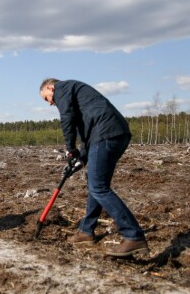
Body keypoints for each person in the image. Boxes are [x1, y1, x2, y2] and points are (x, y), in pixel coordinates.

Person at [39, 78, 148, 257]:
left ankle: (133, 235)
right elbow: (87, 136)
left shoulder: (63, 88)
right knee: (95, 185)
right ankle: (86, 232)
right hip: (112, 133)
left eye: (47, 98)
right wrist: (79, 160)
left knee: (98, 187)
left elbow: (67, 117)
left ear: (51, 88)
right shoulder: (81, 99)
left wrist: (69, 149)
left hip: (107, 134)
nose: (50, 103)